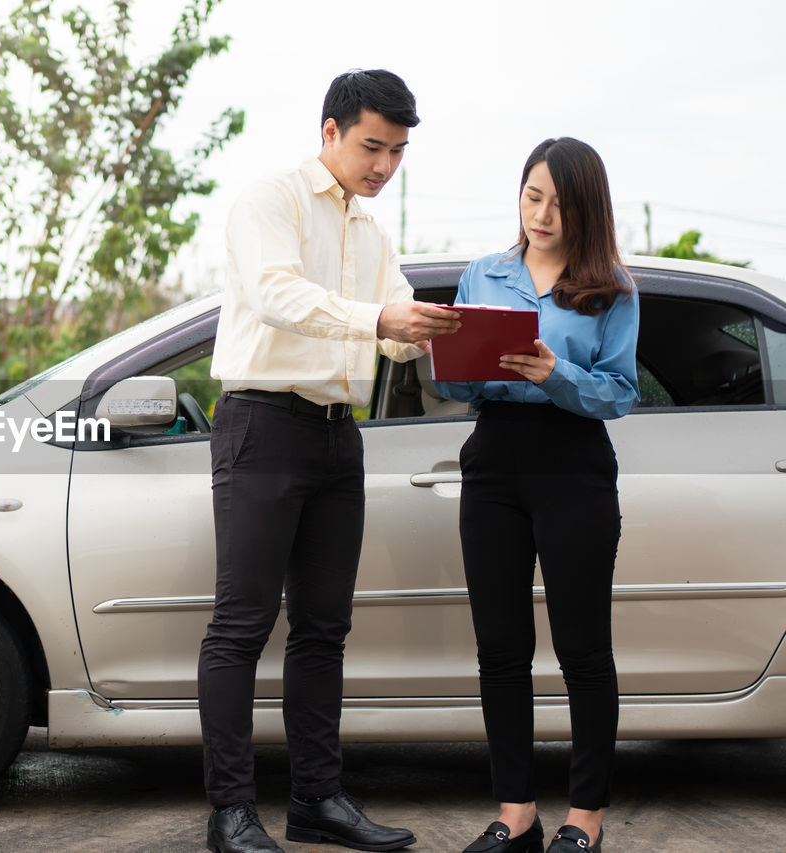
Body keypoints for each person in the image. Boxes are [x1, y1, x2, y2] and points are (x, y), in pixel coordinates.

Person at [198, 69, 461, 853]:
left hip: (337, 434)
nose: (384, 166)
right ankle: (231, 813)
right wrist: (378, 315)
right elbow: (278, 295)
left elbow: (389, 326)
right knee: (241, 625)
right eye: (372, 146)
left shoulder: (374, 234)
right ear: (330, 133)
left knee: (323, 629)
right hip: (261, 425)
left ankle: (317, 799)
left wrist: (434, 331)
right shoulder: (269, 201)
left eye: (398, 152)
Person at [433, 138, 640, 853]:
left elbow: (620, 392)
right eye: (533, 196)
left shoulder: (611, 286)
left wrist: (555, 373)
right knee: (501, 649)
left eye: (560, 201)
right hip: (493, 460)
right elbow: (456, 386)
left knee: (583, 649)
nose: (544, 214)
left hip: (574, 462)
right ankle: (515, 812)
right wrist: (453, 358)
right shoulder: (482, 273)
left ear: (588, 209)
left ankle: (586, 817)